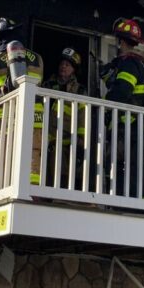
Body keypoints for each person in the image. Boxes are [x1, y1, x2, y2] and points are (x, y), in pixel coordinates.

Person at [0, 19, 44, 187]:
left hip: (4, 119)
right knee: (32, 158)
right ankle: (32, 194)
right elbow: (39, 82)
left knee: (1, 159)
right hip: (33, 118)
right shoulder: (37, 59)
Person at [103, 19, 144, 195]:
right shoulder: (141, 64)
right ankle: (136, 201)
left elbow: (121, 92)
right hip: (136, 126)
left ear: (121, 41)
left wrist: (104, 105)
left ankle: (125, 202)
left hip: (127, 126)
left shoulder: (129, 64)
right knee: (133, 166)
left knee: (122, 165)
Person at [45, 48, 86, 187]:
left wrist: (81, 141)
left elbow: (83, 117)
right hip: (47, 142)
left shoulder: (80, 91)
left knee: (66, 180)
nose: (63, 66)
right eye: (62, 63)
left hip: (69, 145)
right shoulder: (48, 85)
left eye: (67, 65)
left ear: (74, 69)